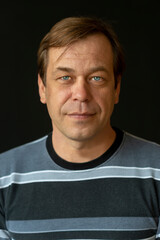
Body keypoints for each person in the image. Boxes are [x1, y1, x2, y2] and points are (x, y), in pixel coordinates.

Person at [0, 16, 160, 240]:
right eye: (65, 77)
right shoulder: (3, 178)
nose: (81, 94)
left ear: (116, 88)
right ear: (42, 88)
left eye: (96, 78)